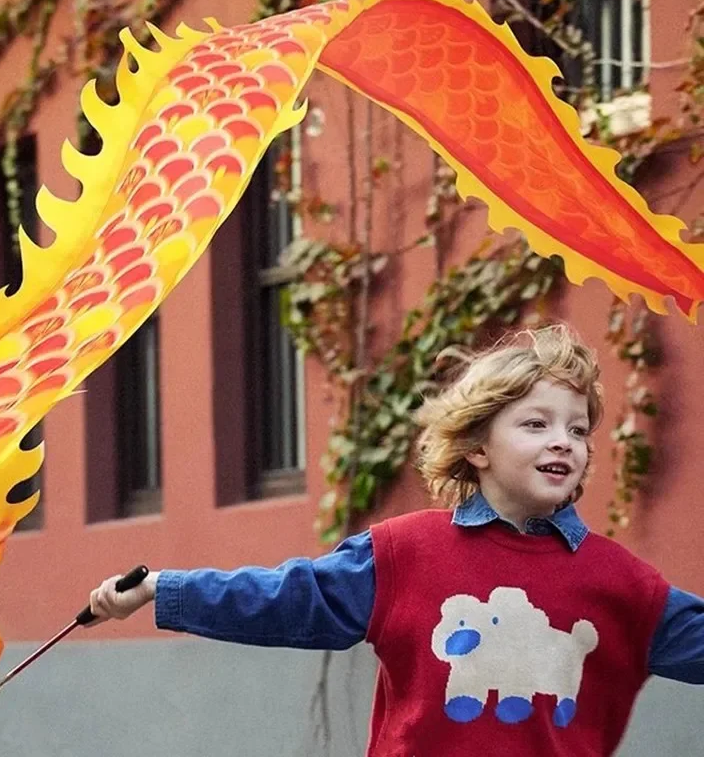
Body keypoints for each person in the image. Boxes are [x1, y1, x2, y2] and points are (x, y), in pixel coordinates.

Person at [88, 324, 704, 756]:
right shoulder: (402, 554)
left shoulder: (620, 581)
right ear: (476, 448)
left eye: (577, 429)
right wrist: (164, 590)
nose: (563, 441)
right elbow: (289, 597)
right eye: (536, 424)